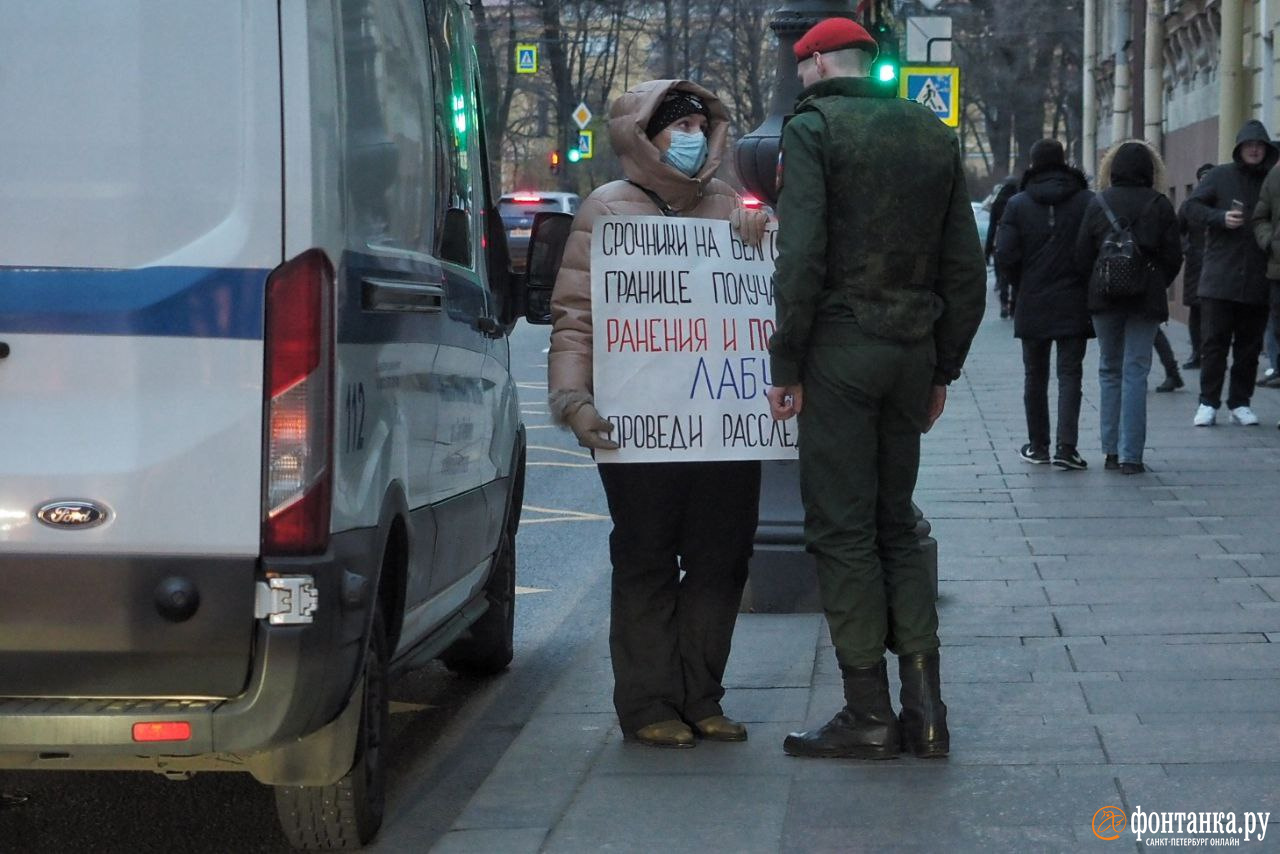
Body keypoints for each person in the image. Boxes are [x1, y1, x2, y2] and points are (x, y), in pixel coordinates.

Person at [764, 18, 985, 760]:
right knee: (898, 522)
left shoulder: (815, 127)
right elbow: (964, 268)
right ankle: (926, 711)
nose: (800, 78)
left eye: (803, 66)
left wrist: (785, 363)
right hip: (910, 353)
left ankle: (868, 713)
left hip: (839, 349)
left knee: (842, 528)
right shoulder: (930, 131)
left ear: (821, 59)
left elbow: (801, 257)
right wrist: (941, 368)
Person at [547, 80, 768, 748]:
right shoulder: (605, 211)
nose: (692, 135)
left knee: (719, 560)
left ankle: (701, 696)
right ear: (645, 136)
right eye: (677, 125)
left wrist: (762, 236)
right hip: (636, 428)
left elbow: (767, 304)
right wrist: (574, 400)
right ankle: (647, 704)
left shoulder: (733, 208)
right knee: (645, 558)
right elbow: (574, 316)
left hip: (721, 428)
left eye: (701, 124)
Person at [1076, 140, 1183, 474]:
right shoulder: (1160, 204)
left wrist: (1099, 281)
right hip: (1145, 299)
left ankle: (1109, 450)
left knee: (1109, 369)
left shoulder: (1099, 203)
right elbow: (1174, 256)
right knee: (1136, 371)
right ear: (1150, 170)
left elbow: (1081, 255)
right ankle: (1131, 456)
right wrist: (1152, 282)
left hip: (1104, 297)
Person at [994, 138, 1094, 469]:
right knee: (1070, 375)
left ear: (1034, 165)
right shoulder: (1085, 201)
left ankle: (1038, 446)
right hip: (1074, 299)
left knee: (1035, 375)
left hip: (1032, 298)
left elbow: (1005, 254)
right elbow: (1095, 249)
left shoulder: (1018, 204)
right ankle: (1067, 448)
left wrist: (1019, 286)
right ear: (1063, 162)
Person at [1183, 120, 1277, 427]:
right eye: (1249, 145)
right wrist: (1219, 217)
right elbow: (1190, 208)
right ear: (1239, 149)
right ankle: (1207, 403)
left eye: (1259, 145)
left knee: (1249, 348)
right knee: (1214, 345)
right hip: (1219, 278)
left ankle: (1240, 402)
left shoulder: (1272, 179)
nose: (1254, 149)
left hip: (1258, 277)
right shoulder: (1221, 176)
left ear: (1266, 149)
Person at [1177, 162, 1215, 370]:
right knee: (1196, 310)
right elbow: (1178, 230)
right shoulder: (1189, 204)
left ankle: (1212, 354)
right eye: (1203, 177)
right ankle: (1196, 352)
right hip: (1195, 263)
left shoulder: (1221, 203)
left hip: (1217, 262)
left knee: (1215, 312)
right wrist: (1187, 248)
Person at [985, 179, 1018, 318]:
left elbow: (991, 228)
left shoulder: (997, 203)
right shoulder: (1017, 203)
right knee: (1016, 277)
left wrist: (987, 251)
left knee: (1003, 276)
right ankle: (1013, 305)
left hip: (1000, 242)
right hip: (1017, 243)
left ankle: (1004, 303)